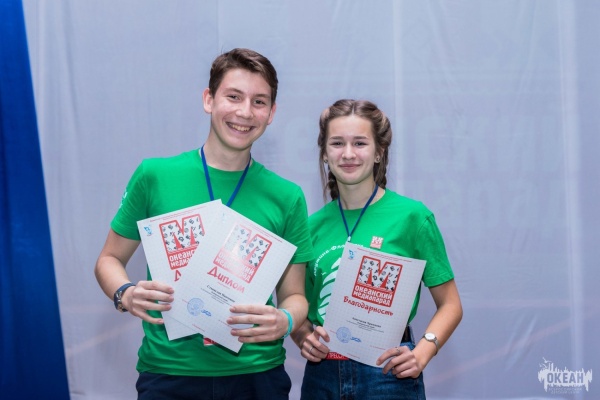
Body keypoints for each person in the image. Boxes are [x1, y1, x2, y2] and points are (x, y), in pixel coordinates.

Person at [94, 48, 314, 400]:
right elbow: (108, 259)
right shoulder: (155, 176)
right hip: (169, 372)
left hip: (257, 375)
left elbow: (295, 296)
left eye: (259, 102)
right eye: (233, 96)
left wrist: (286, 320)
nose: (245, 112)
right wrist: (126, 294)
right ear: (208, 99)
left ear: (272, 113)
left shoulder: (287, 196)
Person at [291, 99, 463, 399]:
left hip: (387, 372)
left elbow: (451, 305)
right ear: (324, 153)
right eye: (337, 143)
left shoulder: (412, 218)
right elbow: (295, 304)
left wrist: (423, 351)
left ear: (379, 152)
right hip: (322, 375)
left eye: (360, 143)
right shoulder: (310, 226)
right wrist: (303, 336)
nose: (348, 153)